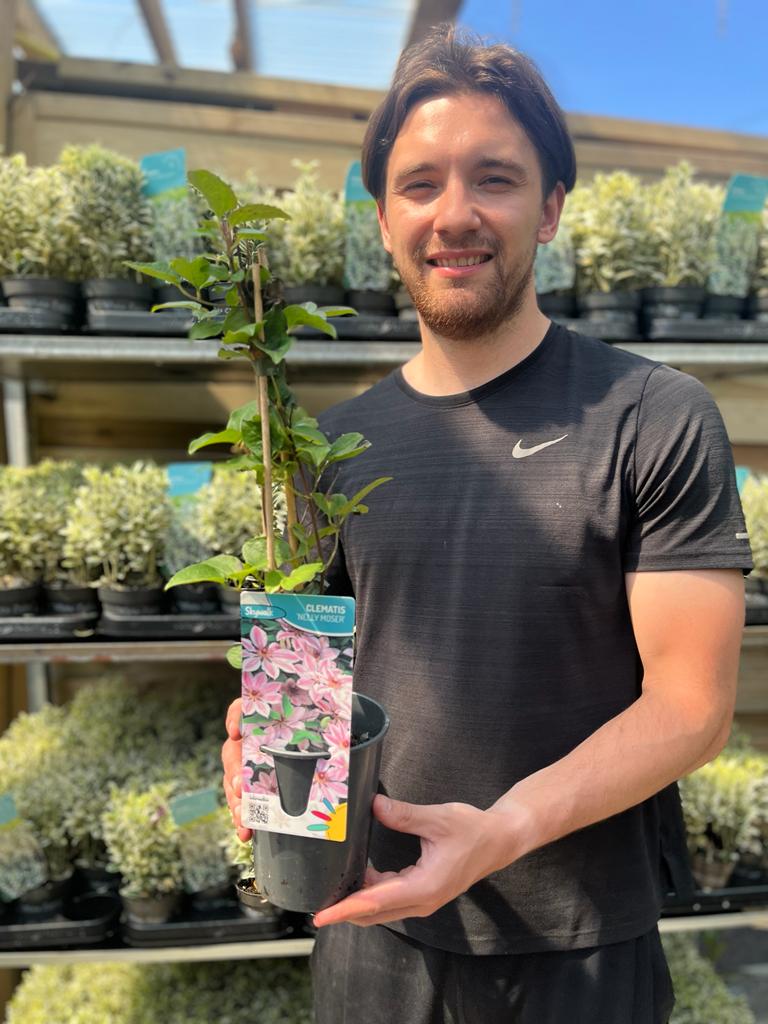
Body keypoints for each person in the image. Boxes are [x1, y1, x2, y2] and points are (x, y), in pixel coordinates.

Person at [222, 24, 752, 1023]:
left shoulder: (653, 415)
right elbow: (302, 677)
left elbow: (693, 705)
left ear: (551, 207)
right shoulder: (328, 447)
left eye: (495, 179)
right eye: (420, 184)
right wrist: (261, 734)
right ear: (381, 217)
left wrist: (503, 828)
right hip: (372, 931)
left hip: (579, 945)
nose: (454, 215)